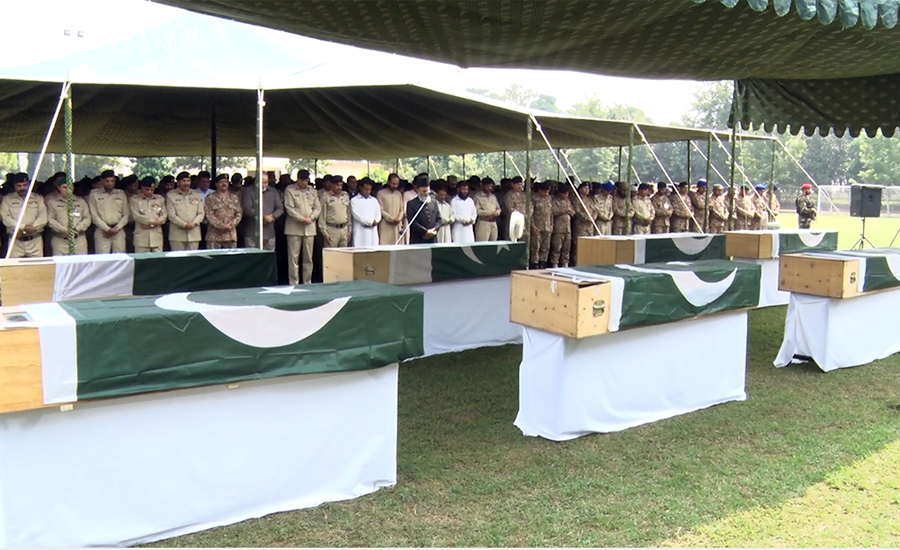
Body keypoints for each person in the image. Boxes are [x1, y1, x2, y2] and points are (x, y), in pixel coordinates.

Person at [284, 169, 321, 285]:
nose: (304, 183)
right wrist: (302, 219)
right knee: (293, 258)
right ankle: (294, 283)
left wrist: (312, 217)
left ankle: (307, 282)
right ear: (298, 179)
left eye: (306, 180)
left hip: (309, 229)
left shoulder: (313, 191)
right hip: (294, 228)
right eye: (302, 180)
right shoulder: (290, 190)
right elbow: (289, 208)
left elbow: (317, 207)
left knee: (308, 259)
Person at [1, 173, 48, 258]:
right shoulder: (7, 200)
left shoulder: (38, 198)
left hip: (35, 241)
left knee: (36, 268)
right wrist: (23, 227)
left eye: (24, 185)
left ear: (29, 184)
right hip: (15, 242)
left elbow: (43, 217)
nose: (22, 188)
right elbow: (5, 218)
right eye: (19, 186)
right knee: (15, 269)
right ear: (14, 186)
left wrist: (29, 229)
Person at [47, 177, 92, 255]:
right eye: (64, 187)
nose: (68, 190)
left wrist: (77, 229)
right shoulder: (52, 203)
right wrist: (64, 230)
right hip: (60, 240)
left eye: (70, 187)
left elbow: (87, 218)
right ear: (59, 188)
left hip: (78, 240)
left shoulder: (81, 202)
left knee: (80, 264)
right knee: (61, 265)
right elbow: (50, 220)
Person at [89, 169, 129, 253]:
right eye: (107, 181)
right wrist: (107, 229)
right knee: (103, 259)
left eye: (112, 181)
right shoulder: (94, 194)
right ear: (102, 181)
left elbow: (126, 214)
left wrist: (116, 228)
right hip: (102, 231)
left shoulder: (120, 193)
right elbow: (94, 216)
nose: (110, 183)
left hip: (118, 230)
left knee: (120, 259)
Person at [240, 172, 283, 250]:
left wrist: (273, 216)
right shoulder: (248, 191)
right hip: (252, 232)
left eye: (266, 182)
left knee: (268, 257)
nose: (264, 185)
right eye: (262, 182)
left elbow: (280, 208)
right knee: (253, 258)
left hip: (269, 232)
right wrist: (263, 217)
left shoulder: (273, 191)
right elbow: (247, 209)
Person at [166, 171, 205, 251]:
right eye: (183, 181)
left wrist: (193, 223)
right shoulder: (171, 195)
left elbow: (201, 213)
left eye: (188, 181)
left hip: (194, 234)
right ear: (178, 182)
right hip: (177, 235)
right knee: (179, 261)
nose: (186, 183)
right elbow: (171, 215)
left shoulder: (196, 194)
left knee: (193, 260)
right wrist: (184, 224)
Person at [204, 173, 242, 249]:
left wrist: (231, 225)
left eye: (226, 182)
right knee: (214, 259)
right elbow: (209, 214)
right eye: (221, 182)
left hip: (230, 235)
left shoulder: (234, 197)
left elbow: (239, 213)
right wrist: (223, 226)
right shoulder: (210, 198)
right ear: (216, 184)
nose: (224, 184)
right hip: (214, 236)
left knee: (230, 260)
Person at [130, 176, 167, 253]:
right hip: (141, 237)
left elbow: (164, 214)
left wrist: (153, 224)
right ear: (142, 187)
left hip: (156, 236)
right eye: (147, 189)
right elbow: (136, 216)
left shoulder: (160, 199)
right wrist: (154, 222)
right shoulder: (134, 200)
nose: (149, 192)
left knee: (158, 261)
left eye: (152, 189)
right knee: (142, 262)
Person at [405, 176, 441, 244]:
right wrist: (425, 232)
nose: (426, 194)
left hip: (433, 238)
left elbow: (439, 219)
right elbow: (412, 222)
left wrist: (434, 230)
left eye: (427, 191)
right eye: (424, 192)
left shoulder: (434, 202)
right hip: (418, 239)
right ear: (418, 190)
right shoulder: (411, 203)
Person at [318, 176, 351, 249]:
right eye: (337, 185)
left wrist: (349, 230)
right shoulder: (325, 197)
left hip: (344, 229)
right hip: (331, 229)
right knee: (331, 256)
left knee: (344, 255)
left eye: (341, 185)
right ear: (331, 185)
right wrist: (325, 233)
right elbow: (322, 217)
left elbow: (348, 213)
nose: (339, 187)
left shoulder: (345, 195)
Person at [549, 185, 575, 268]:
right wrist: (565, 210)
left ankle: (565, 262)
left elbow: (573, 211)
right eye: (564, 193)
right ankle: (555, 262)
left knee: (566, 247)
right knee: (557, 247)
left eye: (567, 193)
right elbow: (554, 211)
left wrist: (567, 211)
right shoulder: (554, 200)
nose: (566, 195)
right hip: (558, 228)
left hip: (567, 228)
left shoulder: (567, 201)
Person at [529, 181, 553, 269]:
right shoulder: (533, 198)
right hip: (537, 226)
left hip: (547, 226)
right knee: (536, 247)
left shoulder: (549, 198)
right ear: (539, 190)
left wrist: (551, 224)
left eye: (548, 191)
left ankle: (543, 262)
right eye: (545, 191)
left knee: (545, 246)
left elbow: (551, 213)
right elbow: (530, 214)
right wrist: (532, 225)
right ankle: (535, 263)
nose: (546, 193)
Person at [350, 179, 381, 247]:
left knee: (373, 249)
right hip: (360, 231)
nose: (368, 191)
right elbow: (356, 215)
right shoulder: (354, 200)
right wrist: (369, 223)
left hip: (373, 231)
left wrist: (376, 221)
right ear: (361, 188)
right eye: (366, 189)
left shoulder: (374, 200)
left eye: (369, 189)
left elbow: (378, 213)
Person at [377, 173, 404, 245]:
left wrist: (399, 218)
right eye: (393, 183)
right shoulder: (381, 193)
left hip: (397, 225)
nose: (395, 186)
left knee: (398, 246)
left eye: (397, 184)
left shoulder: (399, 194)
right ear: (388, 182)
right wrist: (391, 219)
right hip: (386, 225)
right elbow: (380, 210)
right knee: (385, 247)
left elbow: (402, 209)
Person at [474, 177, 501, 241]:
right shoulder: (477, 197)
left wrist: (496, 213)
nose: (489, 188)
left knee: (494, 245)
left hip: (493, 222)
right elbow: (478, 211)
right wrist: (491, 213)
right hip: (483, 223)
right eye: (488, 186)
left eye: (491, 186)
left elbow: (498, 208)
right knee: (482, 245)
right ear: (482, 185)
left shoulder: (493, 196)